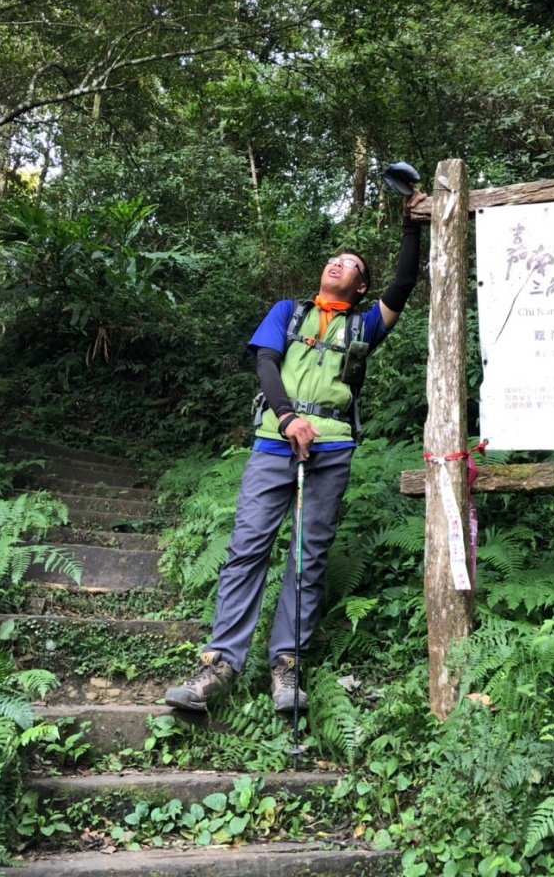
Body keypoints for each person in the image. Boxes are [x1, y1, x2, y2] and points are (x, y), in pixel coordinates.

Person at [165, 179, 427, 713]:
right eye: (334, 257)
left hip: (331, 452)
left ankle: (286, 665)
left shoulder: (366, 325)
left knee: (308, 557)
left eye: (350, 262)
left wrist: (409, 225)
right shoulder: (287, 311)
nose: (338, 263)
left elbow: (403, 283)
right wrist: (287, 417)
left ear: (360, 286)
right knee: (247, 549)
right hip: (273, 444)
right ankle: (220, 664)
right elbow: (265, 363)